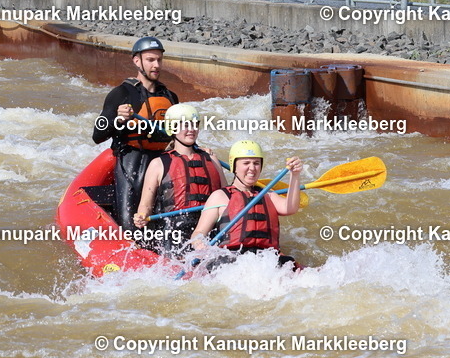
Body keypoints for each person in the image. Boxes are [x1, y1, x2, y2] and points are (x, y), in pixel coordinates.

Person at [92, 36, 178, 231]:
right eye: (150, 60)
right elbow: (97, 134)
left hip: (162, 162)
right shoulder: (121, 94)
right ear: (137, 61)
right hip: (131, 162)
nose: (156, 65)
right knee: (129, 223)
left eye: (159, 60)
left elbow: (179, 135)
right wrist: (119, 120)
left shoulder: (170, 96)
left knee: (164, 222)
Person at [132, 103, 226, 257]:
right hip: (175, 229)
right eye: (185, 125)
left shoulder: (211, 158)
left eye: (195, 124)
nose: (192, 129)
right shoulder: (158, 164)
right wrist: (141, 216)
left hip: (210, 224)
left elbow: (226, 195)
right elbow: (146, 204)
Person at [190, 140, 303, 268]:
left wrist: (295, 175)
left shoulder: (268, 195)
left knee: (289, 263)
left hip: (266, 259)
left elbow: (291, 208)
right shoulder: (220, 196)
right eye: (246, 163)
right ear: (234, 166)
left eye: (256, 163)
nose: (252, 168)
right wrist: (201, 246)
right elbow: (199, 232)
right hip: (232, 260)